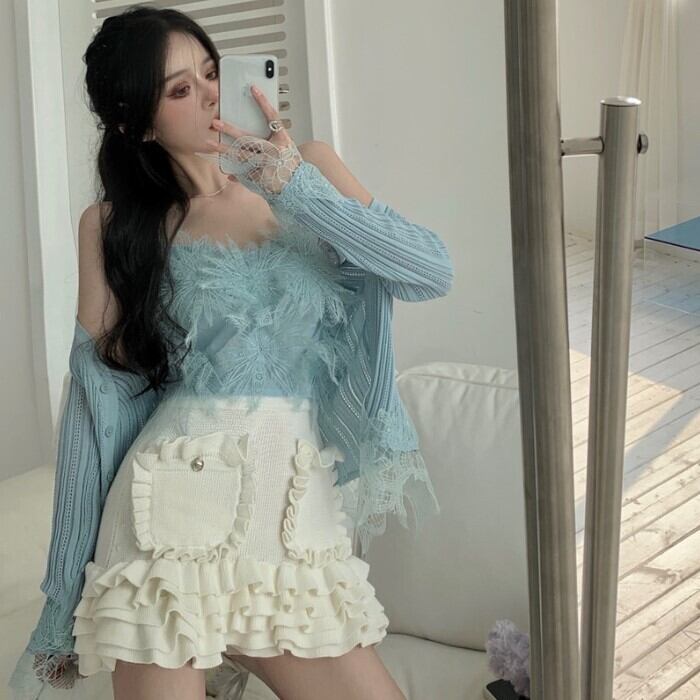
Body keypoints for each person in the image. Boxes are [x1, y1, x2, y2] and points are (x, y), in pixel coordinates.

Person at [8, 6, 454, 700]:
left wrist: (292, 185)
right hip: (167, 525)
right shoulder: (114, 227)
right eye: (180, 89)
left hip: (291, 529)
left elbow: (428, 272)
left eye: (211, 73)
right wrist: (64, 591)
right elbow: (95, 412)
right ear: (138, 123)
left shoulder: (309, 169)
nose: (212, 95)